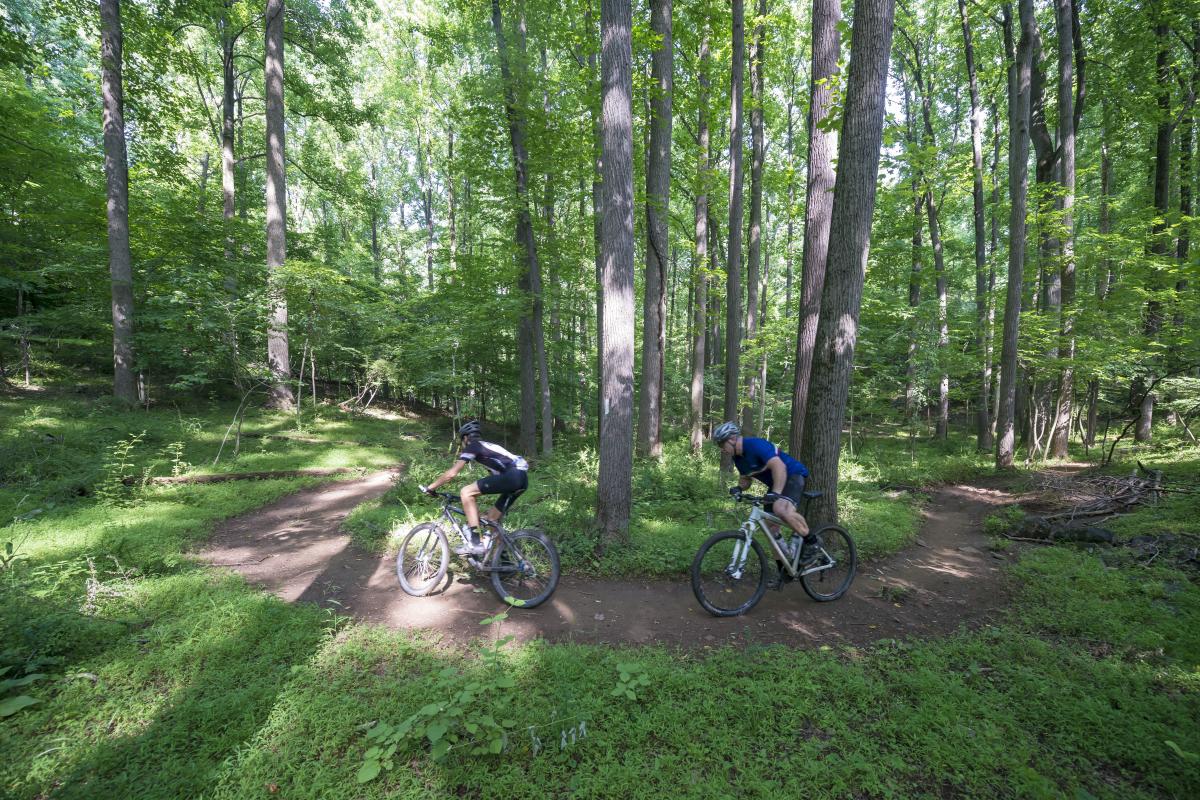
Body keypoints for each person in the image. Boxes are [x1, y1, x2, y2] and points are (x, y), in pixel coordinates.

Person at [711, 421, 820, 571]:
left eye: (721, 445)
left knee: (780, 509)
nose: (721, 449)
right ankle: (784, 568)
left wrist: (776, 493)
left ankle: (812, 541)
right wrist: (739, 488)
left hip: (792, 475)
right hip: (777, 482)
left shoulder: (755, 445)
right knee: (770, 528)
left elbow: (779, 467)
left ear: (731, 439)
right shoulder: (738, 458)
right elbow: (746, 479)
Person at [422, 420, 529, 555]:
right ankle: (503, 561)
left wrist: (430, 487)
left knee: (466, 492)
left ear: (466, 438)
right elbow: (493, 482)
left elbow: (452, 473)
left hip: (513, 476)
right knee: (492, 519)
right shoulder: (487, 447)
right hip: (522, 479)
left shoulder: (473, 446)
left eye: (462, 441)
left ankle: (475, 542)